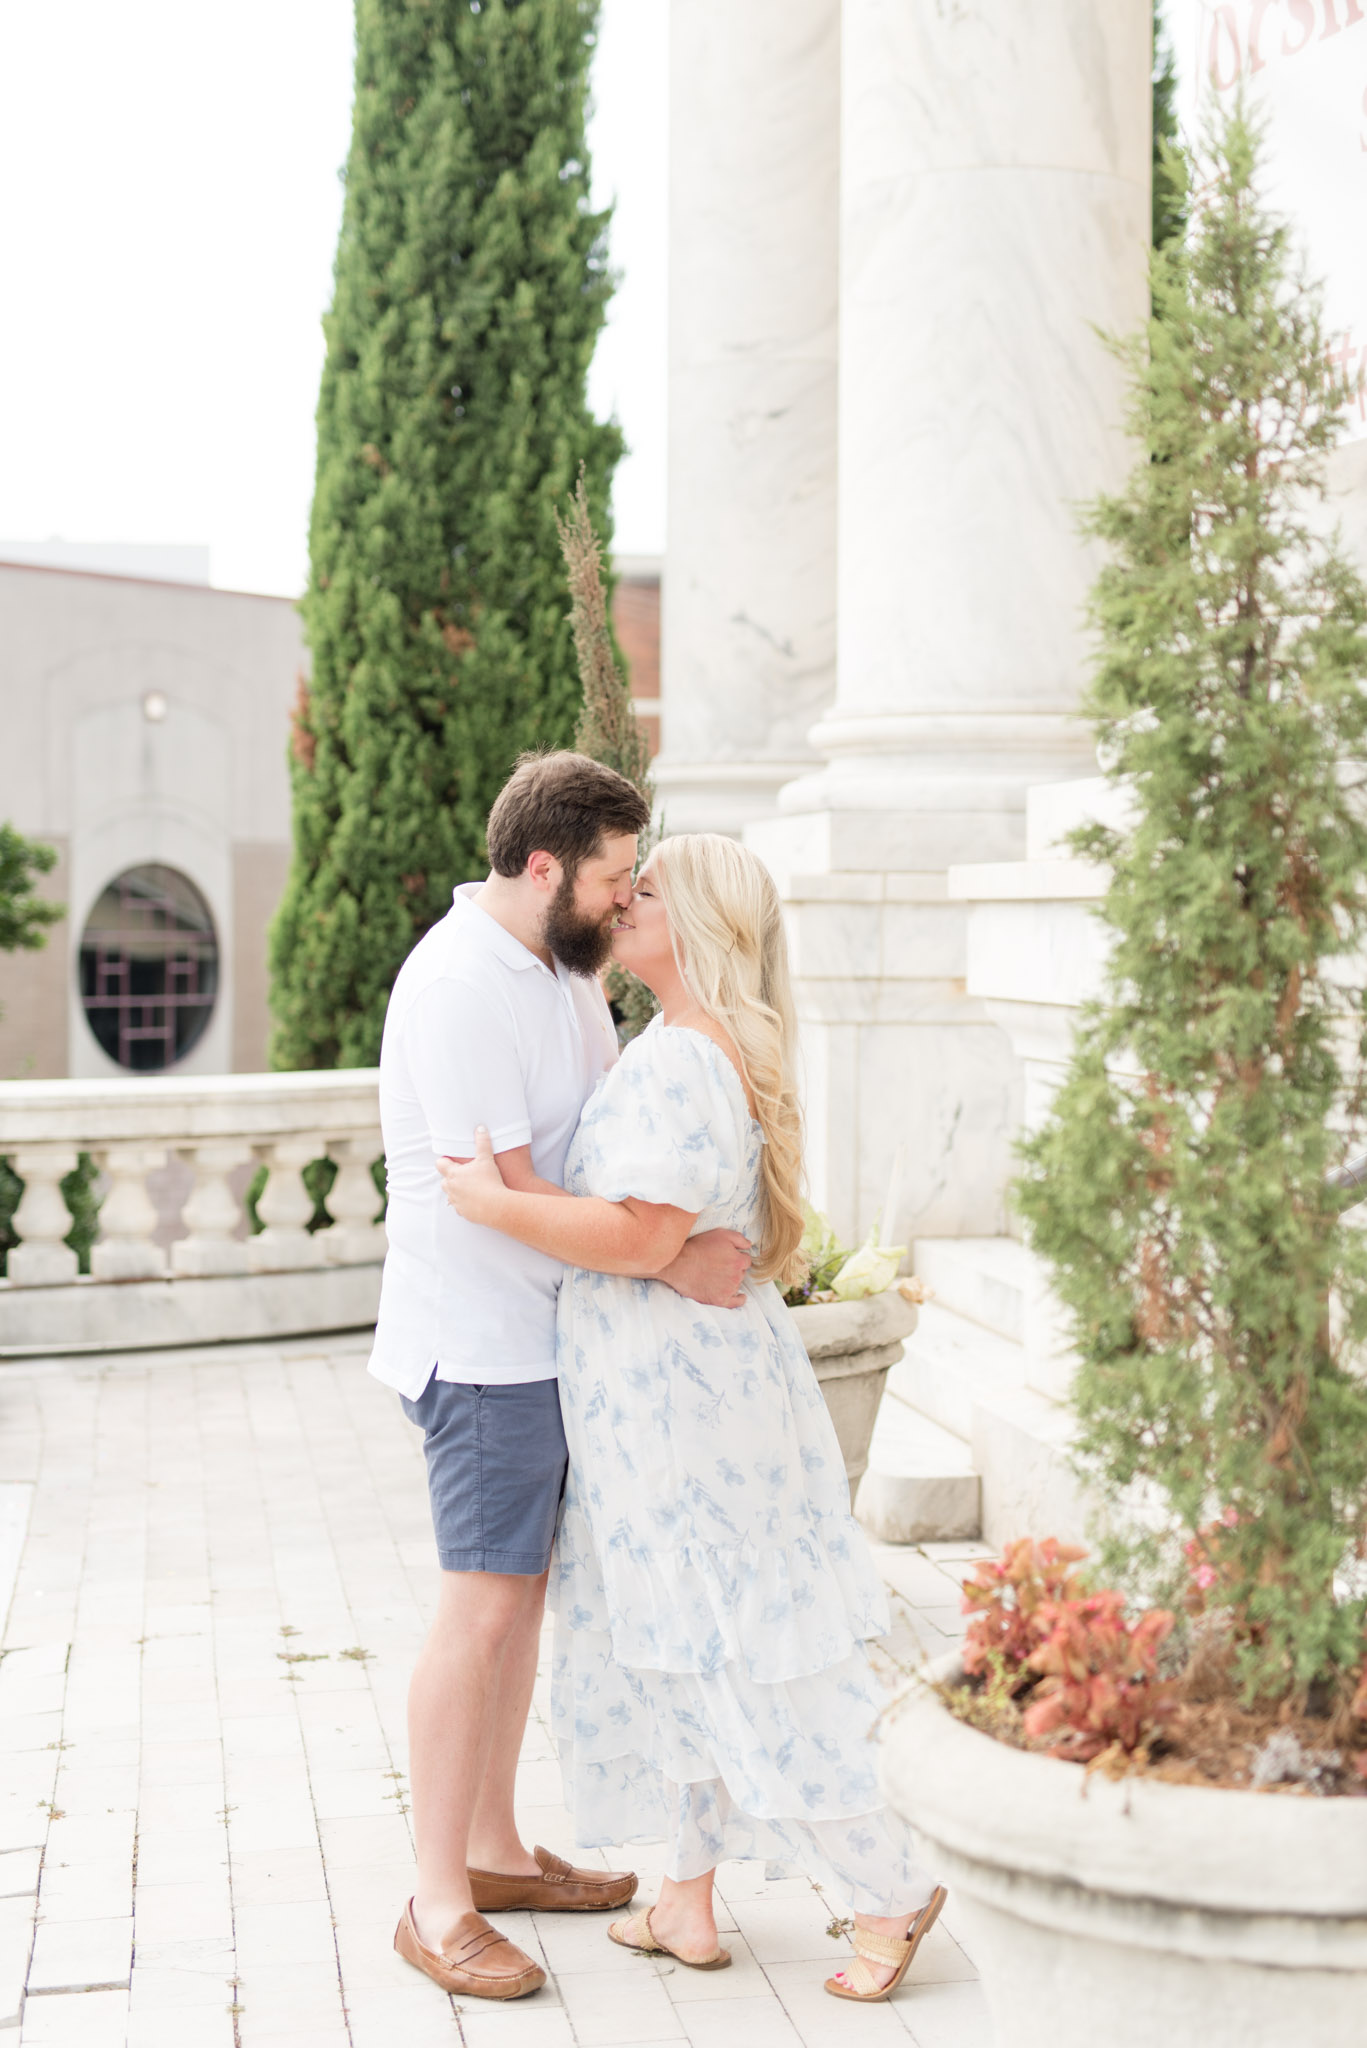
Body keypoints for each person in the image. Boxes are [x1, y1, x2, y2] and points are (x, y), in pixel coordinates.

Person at [439, 832, 947, 2008]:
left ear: (702, 931)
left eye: (647, 891)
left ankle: (888, 1885)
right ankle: (684, 1894)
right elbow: (662, 1239)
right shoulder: (689, 1045)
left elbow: (634, 1234)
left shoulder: (678, 1062)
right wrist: (653, 1255)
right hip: (676, 1386)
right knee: (678, 1633)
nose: (623, 901)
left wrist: (490, 1200)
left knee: (730, 1640)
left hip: (678, 1401)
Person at [370, 757, 754, 2003]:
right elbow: (501, 1196)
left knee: (521, 1605)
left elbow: (588, 1147)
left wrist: (658, 1236)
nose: (622, 894)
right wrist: (662, 1248)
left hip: (551, 1344)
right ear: (544, 869)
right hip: (478, 1345)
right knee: (478, 1609)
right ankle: (436, 1902)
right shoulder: (456, 986)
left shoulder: (560, 967)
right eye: (607, 876)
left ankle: (491, 1848)